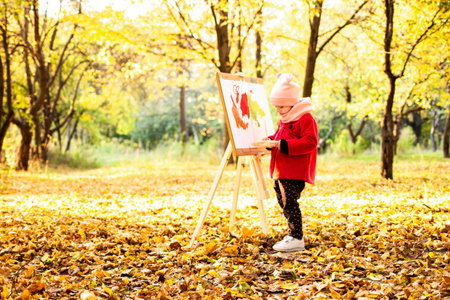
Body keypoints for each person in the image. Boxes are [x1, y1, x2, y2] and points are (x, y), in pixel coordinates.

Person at [263, 72, 318, 252]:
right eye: (276, 106)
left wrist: (282, 144)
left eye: (281, 106)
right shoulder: (286, 119)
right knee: (283, 200)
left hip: (293, 170)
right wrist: (271, 141)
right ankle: (292, 233)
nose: (278, 110)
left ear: (293, 104)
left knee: (290, 202)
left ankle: (296, 236)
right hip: (281, 169)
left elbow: (310, 142)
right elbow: (280, 137)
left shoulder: (305, 118)